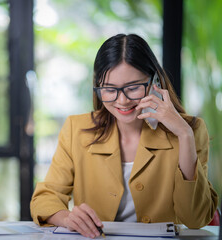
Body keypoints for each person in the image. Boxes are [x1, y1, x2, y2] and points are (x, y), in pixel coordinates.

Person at [30, 33, 218, 239]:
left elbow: (195, 218)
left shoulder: (190, 130)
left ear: (155, 81)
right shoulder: (76, 129)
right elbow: (45, 197)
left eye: (133, 87)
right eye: (110, 89)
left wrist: (184, 134)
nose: (122, 101)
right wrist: (67, 218)